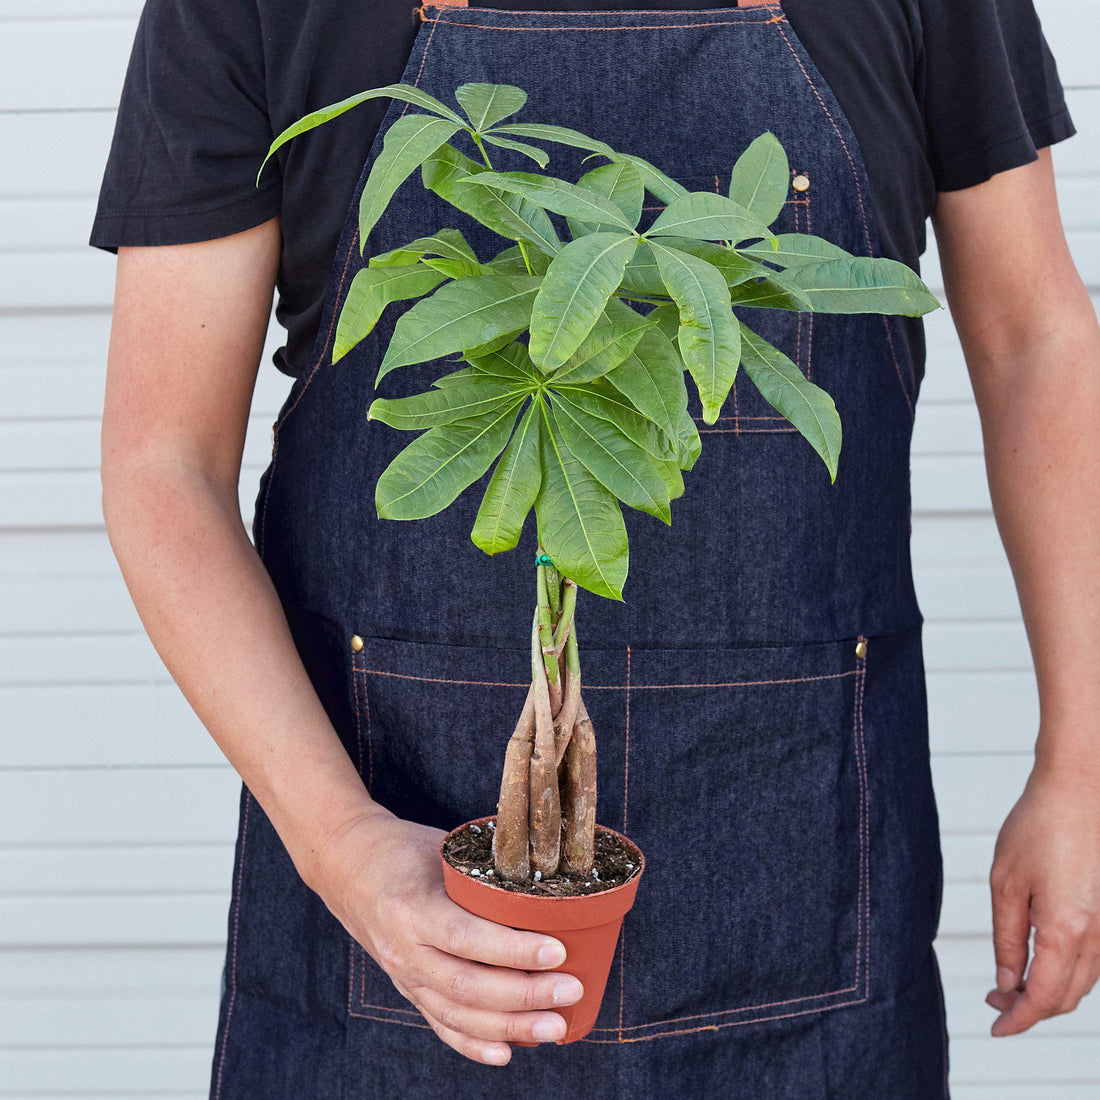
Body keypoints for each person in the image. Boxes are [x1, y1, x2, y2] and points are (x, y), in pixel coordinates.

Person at [89, 0, 1100, 1095]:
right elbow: (162, 463)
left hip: (802, 895)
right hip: (394, 908)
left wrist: (1082, 765)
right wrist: (341, 842)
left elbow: (1033, 340)